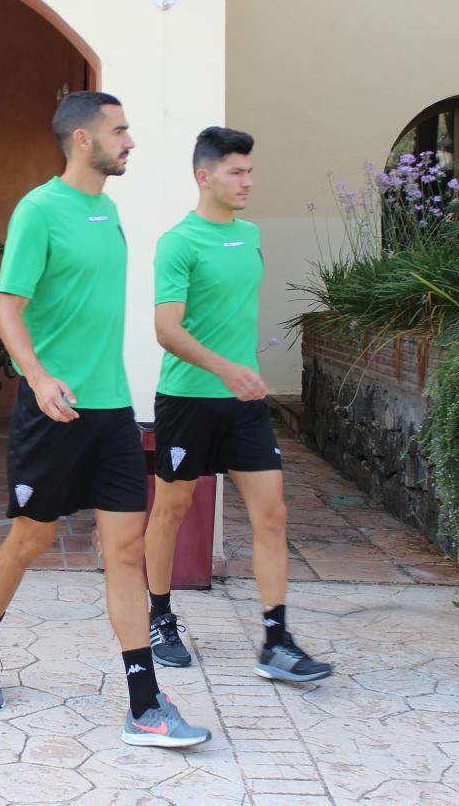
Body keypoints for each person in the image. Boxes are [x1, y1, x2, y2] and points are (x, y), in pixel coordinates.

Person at [0, 92, 211, 749]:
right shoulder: (41, 210)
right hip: (53, 412)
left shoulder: (109, 211)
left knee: (123, 552)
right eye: (119, 130)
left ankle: (144, 701)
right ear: (81, 139)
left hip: (112, 411)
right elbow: (7, 309)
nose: (130, 141)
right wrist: (37, 377)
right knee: (30, 540)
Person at [144, 126, 332, 683]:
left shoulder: (249, 235)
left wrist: (239, 374)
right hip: (188, 399)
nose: (248, 181)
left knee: (272, 515)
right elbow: (165, 330)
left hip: (243, 404)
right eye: (236, 171)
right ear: (205, 176)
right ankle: (158, 616)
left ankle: (276, 641)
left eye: (250, 171)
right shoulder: (178, 242)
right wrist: (226, 368)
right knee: (172, 510)